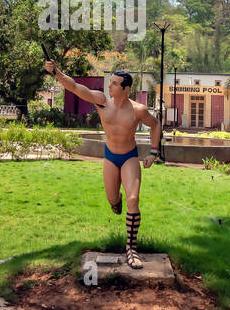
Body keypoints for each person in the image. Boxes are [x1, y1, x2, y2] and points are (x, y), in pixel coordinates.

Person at [45, 59, 162, 269]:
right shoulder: (102, 102)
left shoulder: (138, 110)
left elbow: (155, 125)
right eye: (111, 82)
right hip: (110, 156)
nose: (110, 86)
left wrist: (153, 153)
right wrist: (57, 73)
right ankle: (115, 201)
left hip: (129, 157)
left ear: (126, 89)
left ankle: (131, 249)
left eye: (115, 84)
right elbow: (76, 88)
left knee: (133, 199)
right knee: (112, 199)